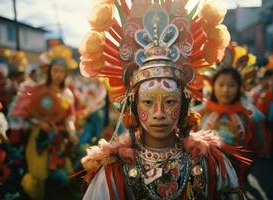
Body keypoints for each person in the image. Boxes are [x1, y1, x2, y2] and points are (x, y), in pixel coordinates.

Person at [79, 0, 249, 199]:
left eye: (170, 102)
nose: (158, 114)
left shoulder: (211, 161)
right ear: (133, 104)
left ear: (184, 103)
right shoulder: (113, 169)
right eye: (148, 102)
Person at [194, 67, 269, 191]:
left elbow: (257, 148)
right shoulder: (198, 114)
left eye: (231, 85)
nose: (225, 90)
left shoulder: (250, 115)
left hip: (238, 176)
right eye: (221, 84)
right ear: (213, 85)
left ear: (239, 87)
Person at [18, 45, 78, 200]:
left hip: (58, 140)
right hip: (39, 136)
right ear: (50, 71)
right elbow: (27, 113)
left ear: (65, 73)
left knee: (58, 178)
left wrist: (71, 132)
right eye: (55, 70)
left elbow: (70, 118)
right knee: (37, 173)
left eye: (61, 71)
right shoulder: (39, 89)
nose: (58, 75)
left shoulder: (68, 94)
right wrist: (39, 122)